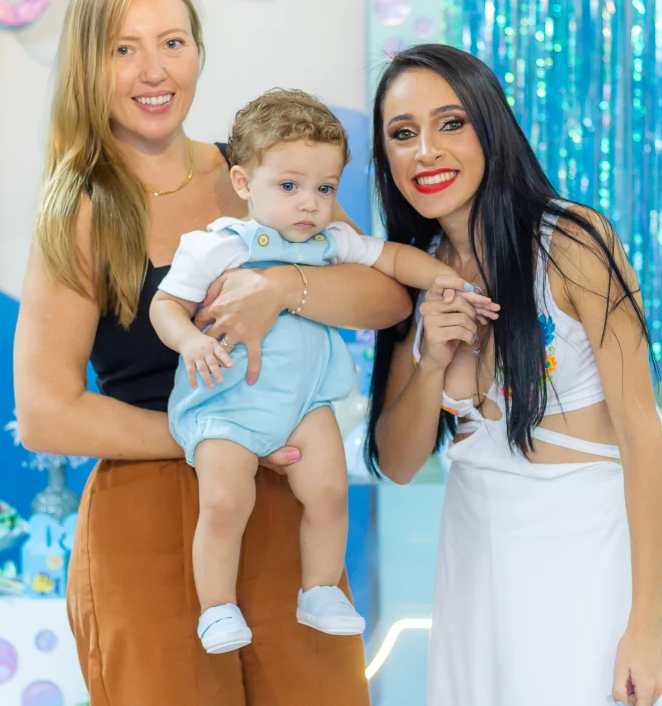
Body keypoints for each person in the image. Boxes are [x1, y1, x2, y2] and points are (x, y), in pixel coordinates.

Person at [12, 0, 411, 706]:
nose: (154, 70)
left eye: (172, 41)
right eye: (123, 49)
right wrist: (224, 433)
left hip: (283, 505)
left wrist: (284, 287)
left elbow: (385, 297)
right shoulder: (80, 209)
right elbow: (45, 413)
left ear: (198, 49)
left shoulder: (261, 172)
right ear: (89, 66)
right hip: (151, 516)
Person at [365, 43, 662, 706]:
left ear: (491, 127)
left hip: (584, 556)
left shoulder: (571, 241)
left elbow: (641, 433)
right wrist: (432, 364)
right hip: (473, 559)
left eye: (451, 123)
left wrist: (645, 624)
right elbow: (396, 463)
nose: (426, 151)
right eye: (403, 133)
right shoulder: (409, 272)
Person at [149, 89, 498, 654]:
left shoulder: (332, 242)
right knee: (225, 501)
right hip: (227, 403)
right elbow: (165, 306)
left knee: (331, 491)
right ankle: (216, 606)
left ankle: (319, 589)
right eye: (289, 187)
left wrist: (450, 280)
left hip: (305, 403)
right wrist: (190, 341)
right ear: (244, 183)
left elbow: (392, 260)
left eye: (325, 189)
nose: (309, 204)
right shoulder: (218, 246)